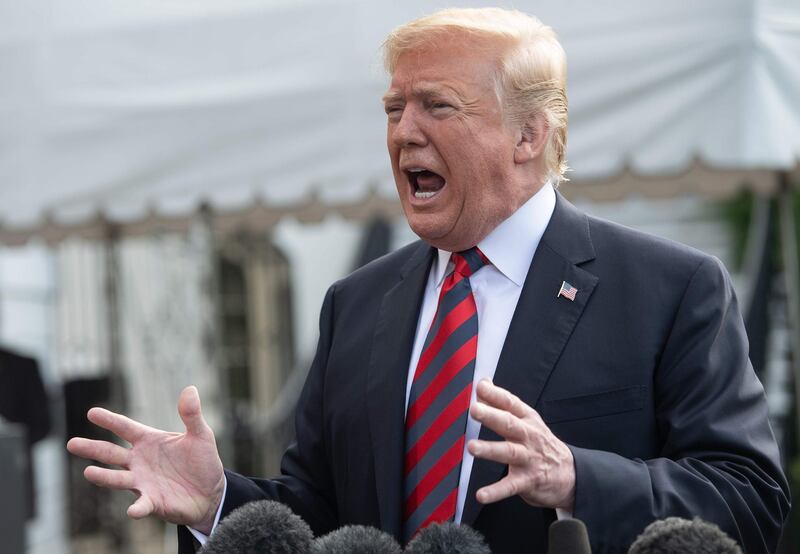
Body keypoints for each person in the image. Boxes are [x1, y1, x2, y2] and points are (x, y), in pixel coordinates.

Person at [67, 8, 790, 553]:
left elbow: (751, 500)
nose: (403, 132)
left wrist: (576, 478)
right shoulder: (355, 304)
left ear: (528, 135)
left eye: (436, 106)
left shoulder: (668, 289)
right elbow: (324, 510)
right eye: (393, 109)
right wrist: (220, 502)